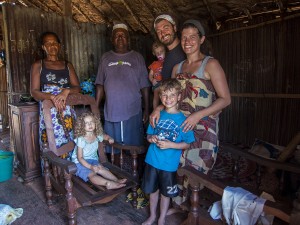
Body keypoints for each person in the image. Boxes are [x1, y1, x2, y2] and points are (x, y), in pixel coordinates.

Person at [150, 19, 231, 210]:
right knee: (176, 165)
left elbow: (225, 99)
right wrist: (157, 109)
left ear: (201, 39)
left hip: (203, 128)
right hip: (179, 125)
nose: (187, 41)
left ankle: (191, 211)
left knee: (195, 170)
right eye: (184, 37)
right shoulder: (177, 68)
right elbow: (169, 96)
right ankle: (178, 207)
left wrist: (197, 116)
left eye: (192, 37)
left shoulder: (210, 64)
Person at [95, 23, 150, 166]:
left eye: (123, 35)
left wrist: (147, 109)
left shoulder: (137, 57)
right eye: (117, 35)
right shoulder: (105, 58)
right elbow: (100, 83)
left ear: (128, 39)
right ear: (112, 39)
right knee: (113, 146)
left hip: (133, 110)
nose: (120, 38)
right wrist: (95, 107)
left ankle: (134, 175)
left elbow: (144, 85)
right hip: (112, 110)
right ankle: (118, 173)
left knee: (133, 147)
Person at [141, 78, 195, 225]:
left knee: (166, 194)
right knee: (153, 192)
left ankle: (161, 218)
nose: (168, 99)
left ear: (179, 97)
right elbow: (148, 135)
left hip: (168, 165)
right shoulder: (156, 115)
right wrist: (151, 138)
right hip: (152, 161)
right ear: (160, 96)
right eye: (164, 95)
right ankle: (152, 216)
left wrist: (171, 144)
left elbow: (188, 144)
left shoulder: (183, 120)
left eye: (172, 95)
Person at [30, 31, 81, 157]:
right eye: (48, 43)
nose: (52, 46)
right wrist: (52, 97)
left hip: (66, 108)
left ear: (59, 45)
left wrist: (66, 91)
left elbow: (77, 88)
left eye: (54, 43)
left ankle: (71, 170)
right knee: (51, 139)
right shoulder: (38, 65)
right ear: (43, 47)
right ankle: (53, 174)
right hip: (49, 109)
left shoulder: (67, 65)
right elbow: (34, 92)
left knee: (70, 137)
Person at [71, 112, 127, 189]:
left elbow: (104, 136)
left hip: (92, 159)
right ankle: (108, 183)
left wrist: (109, 138)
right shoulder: (81, 139)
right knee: (91, 174)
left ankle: (116, 180)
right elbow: (80, 158)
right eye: (86, 123)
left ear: (95, 123)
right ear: (81, 126)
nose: (90, 124)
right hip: (79, 162)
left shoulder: (96, 134)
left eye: (91, 122)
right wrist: (90, 167)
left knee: (101, 169)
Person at [153, 13, 186, 80]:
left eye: (166, 28)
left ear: (175, 28)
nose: (163, 33)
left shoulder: (187, 49)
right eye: (159, 31)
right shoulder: (166, 56)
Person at [148, 42, 166, 109]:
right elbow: (150, 75)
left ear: (165, 51)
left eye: (161, 51)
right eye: (157, 53)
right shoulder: (154, 64)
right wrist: (152, 79)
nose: (159, 54)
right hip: (157, 82)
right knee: (156, 94)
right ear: (154, 54)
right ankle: (155, 110)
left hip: (165, 82)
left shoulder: (167, 61)